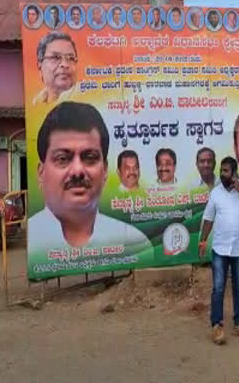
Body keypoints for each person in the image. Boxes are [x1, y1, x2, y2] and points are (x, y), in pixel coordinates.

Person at [28, 102, 150, 255]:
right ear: (41, 173)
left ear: (105, 170)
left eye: (90, 157)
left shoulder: (134, 243)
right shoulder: (32, 243)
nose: (77, 170)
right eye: (62, 158)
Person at [198, 157, 239, 345]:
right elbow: (208, 219)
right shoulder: (216, 193)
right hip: (220, 248)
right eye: (222, 171)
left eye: (226, 171)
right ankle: (216, 326)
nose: (222, 174)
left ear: (234, 173)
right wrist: (202, 240)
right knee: (218, 288)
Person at [32, 32, 78, 106]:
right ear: (40, 67)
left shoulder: (90, 100)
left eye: (71, 58)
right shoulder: (35, 105)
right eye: (56, 57)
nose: (65, 64)